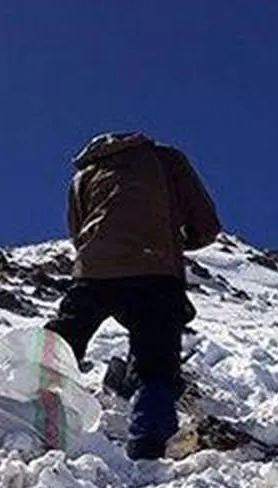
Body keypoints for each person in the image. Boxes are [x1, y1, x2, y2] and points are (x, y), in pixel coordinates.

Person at [45, 131, 221, 460]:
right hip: (155, 268)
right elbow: (206, 224)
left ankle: (29, 413)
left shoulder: (83, 176)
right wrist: (176, 241)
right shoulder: (166, 157)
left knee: (64, 340)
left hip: (95, 269)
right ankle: (148, 443)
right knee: (156, 357)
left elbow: (77, 230)